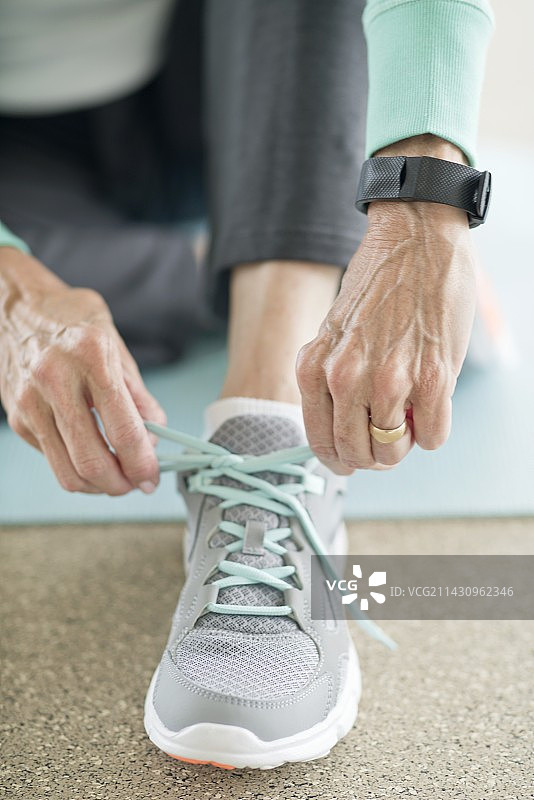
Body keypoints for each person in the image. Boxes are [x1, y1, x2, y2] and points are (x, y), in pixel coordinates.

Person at [0, 0, 494, 770]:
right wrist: (10, 290)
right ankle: (289, 259)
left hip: (226, 99)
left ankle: (267, 413)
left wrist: (426, 215)